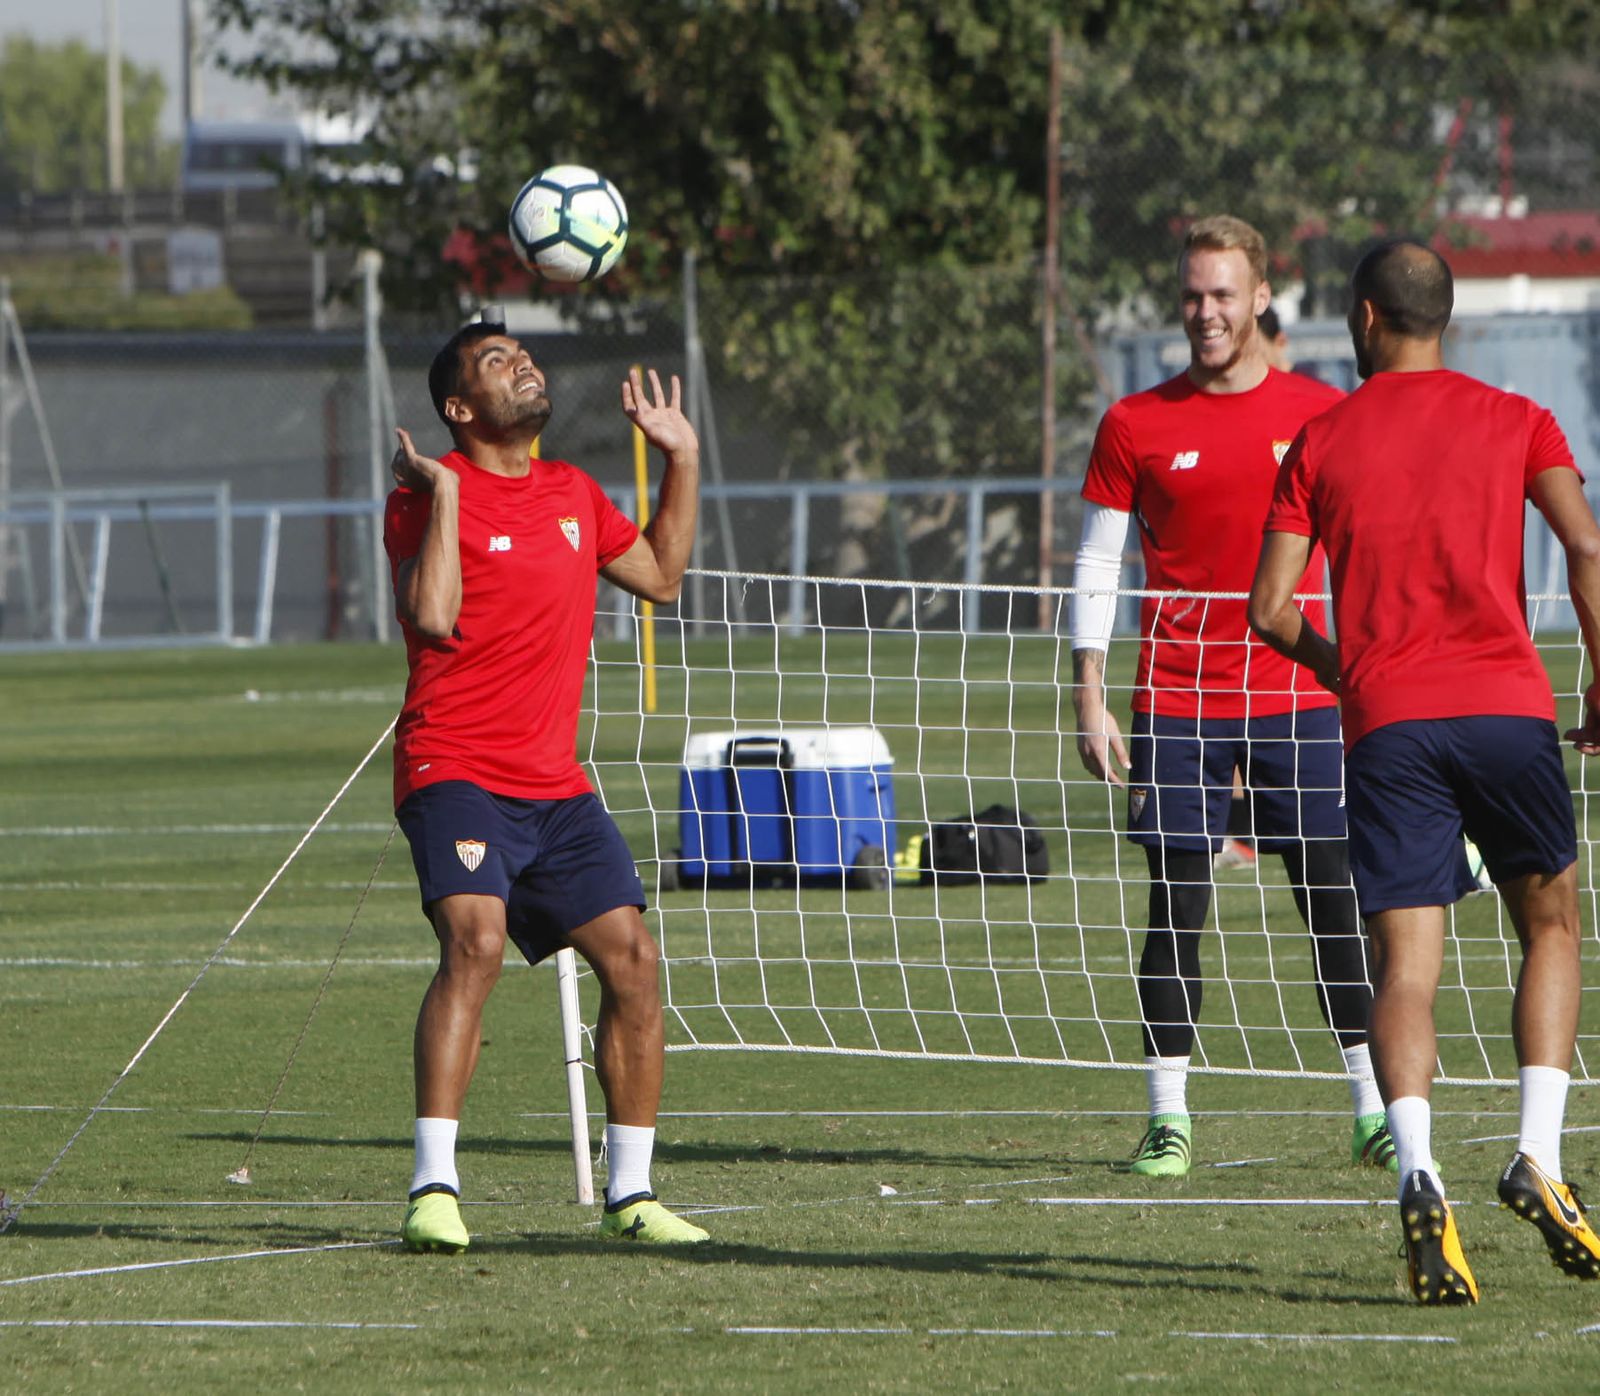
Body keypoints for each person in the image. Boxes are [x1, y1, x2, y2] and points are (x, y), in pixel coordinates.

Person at [1250, 237, 1600, 1304]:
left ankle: (1417, 1170)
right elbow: (1587, 548)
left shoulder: (1318, 438)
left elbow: (1269, 609)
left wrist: (1343, 669)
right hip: (1507, 710)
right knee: (1550, 923)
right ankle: (1538, 1156)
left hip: (1388, 725)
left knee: (1404, 969)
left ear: (1364, 317)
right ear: (1443, 316)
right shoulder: (1519, 419)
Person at [1071, 214, 1392, 1178]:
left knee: (1332, 901)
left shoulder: (1325, 413)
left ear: (1260, 297)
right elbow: (1098, 564)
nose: (1204, 312)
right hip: (1177, 702)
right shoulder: (1133, 424)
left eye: (1222, 294)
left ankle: (1372, 1109)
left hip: (1300, 698)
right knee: (1175, 905)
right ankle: (1167, 1119)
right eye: (1191, 295)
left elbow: (1368, 549)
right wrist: (1089, 691)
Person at [385, 318, 707, 1253]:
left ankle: (631, 1197)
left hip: (555, 786)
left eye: (523, 354)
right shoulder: (421, 495)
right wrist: (447, 491)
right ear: (459, 408)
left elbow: (662, 576)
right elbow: (433, 614)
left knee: (635, 963)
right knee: (476, 943)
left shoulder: (573, 491)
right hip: (455, 768)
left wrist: (682, 459)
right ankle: (433, 1189)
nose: (523, 364)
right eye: (497, 361)